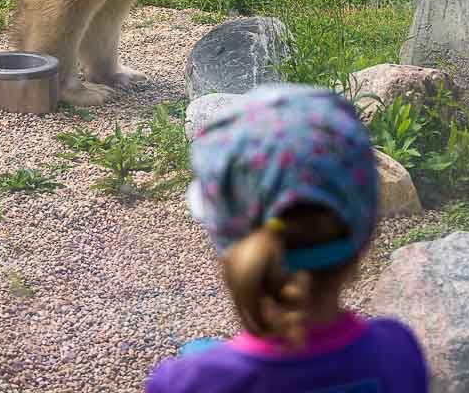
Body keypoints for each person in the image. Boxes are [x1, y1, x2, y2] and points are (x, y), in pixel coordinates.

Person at [145, 83, 429, 393]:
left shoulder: (188, 382)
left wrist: (202, 360)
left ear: (227, 241)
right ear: (364, 236)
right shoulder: (397, 354)